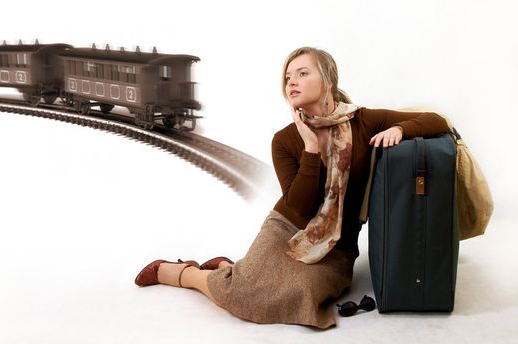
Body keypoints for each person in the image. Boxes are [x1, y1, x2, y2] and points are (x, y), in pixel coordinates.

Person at [134, 47, 449, 329]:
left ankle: (229, 268)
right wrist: (311, 148)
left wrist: (399, 128)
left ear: (327, 79)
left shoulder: (362, 121)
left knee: (303, 294)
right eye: (287, 77)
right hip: (286, 228)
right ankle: (182, 273)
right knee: (242, 295)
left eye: (302, 73)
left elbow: (436, 120)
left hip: (338, 246)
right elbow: (299, 208)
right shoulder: (284, 140)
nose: (292, 82)